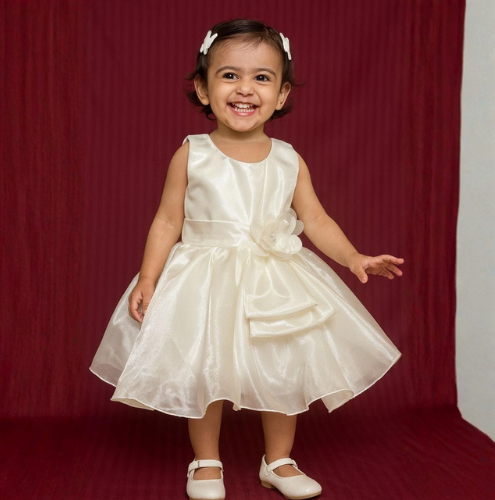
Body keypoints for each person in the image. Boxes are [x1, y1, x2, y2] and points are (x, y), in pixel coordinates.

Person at [89, 18, 404, 500]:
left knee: (283, 365)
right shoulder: (192, 153)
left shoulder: (288, 159)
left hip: (273, 282)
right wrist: (148, 277)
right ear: (203, 88)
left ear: (281, 95)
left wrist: (353, 256)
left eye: (262, 77)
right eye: (229, 75)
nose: (245, 88)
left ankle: (277, 460)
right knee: (205, 366)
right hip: (204, 281)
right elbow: (167, 221)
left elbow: (316, 219)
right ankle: (206, 460)